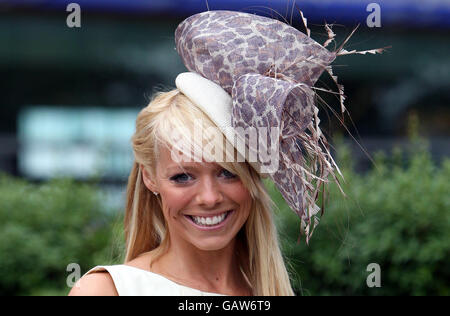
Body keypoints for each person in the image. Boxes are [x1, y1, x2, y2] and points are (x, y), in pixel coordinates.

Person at [69, 9, 384, 296]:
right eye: (182, 177)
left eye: (227, 172)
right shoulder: (105, 291)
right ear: (151, 178)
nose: (209, 197)